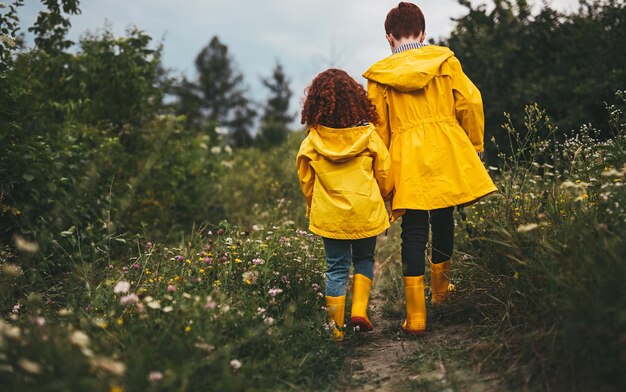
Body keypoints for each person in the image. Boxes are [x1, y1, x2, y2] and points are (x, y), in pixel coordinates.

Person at [363, 2, 497, 336]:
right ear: (423, 33)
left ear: (389, 37)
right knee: (443, 218)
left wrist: (382, 174)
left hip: (406, 157)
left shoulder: (379, 77)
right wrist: (474, 145)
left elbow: (378, 130)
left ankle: (417, 315)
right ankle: (441, 295)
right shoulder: (445, 61)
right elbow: (471, 102)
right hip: (446, 147)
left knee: (413, 229)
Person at [297, 69, 393, 340]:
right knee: (364, 258)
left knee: (336, 268)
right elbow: (384, 172)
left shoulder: (312, 141)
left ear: (316, 104)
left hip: (330, 216)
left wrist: (312, 206)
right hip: (365, 211)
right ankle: (359, 311)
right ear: (356, 100)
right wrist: (385, 196)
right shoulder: (369, 136)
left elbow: (306, 181)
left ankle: (335, 331)